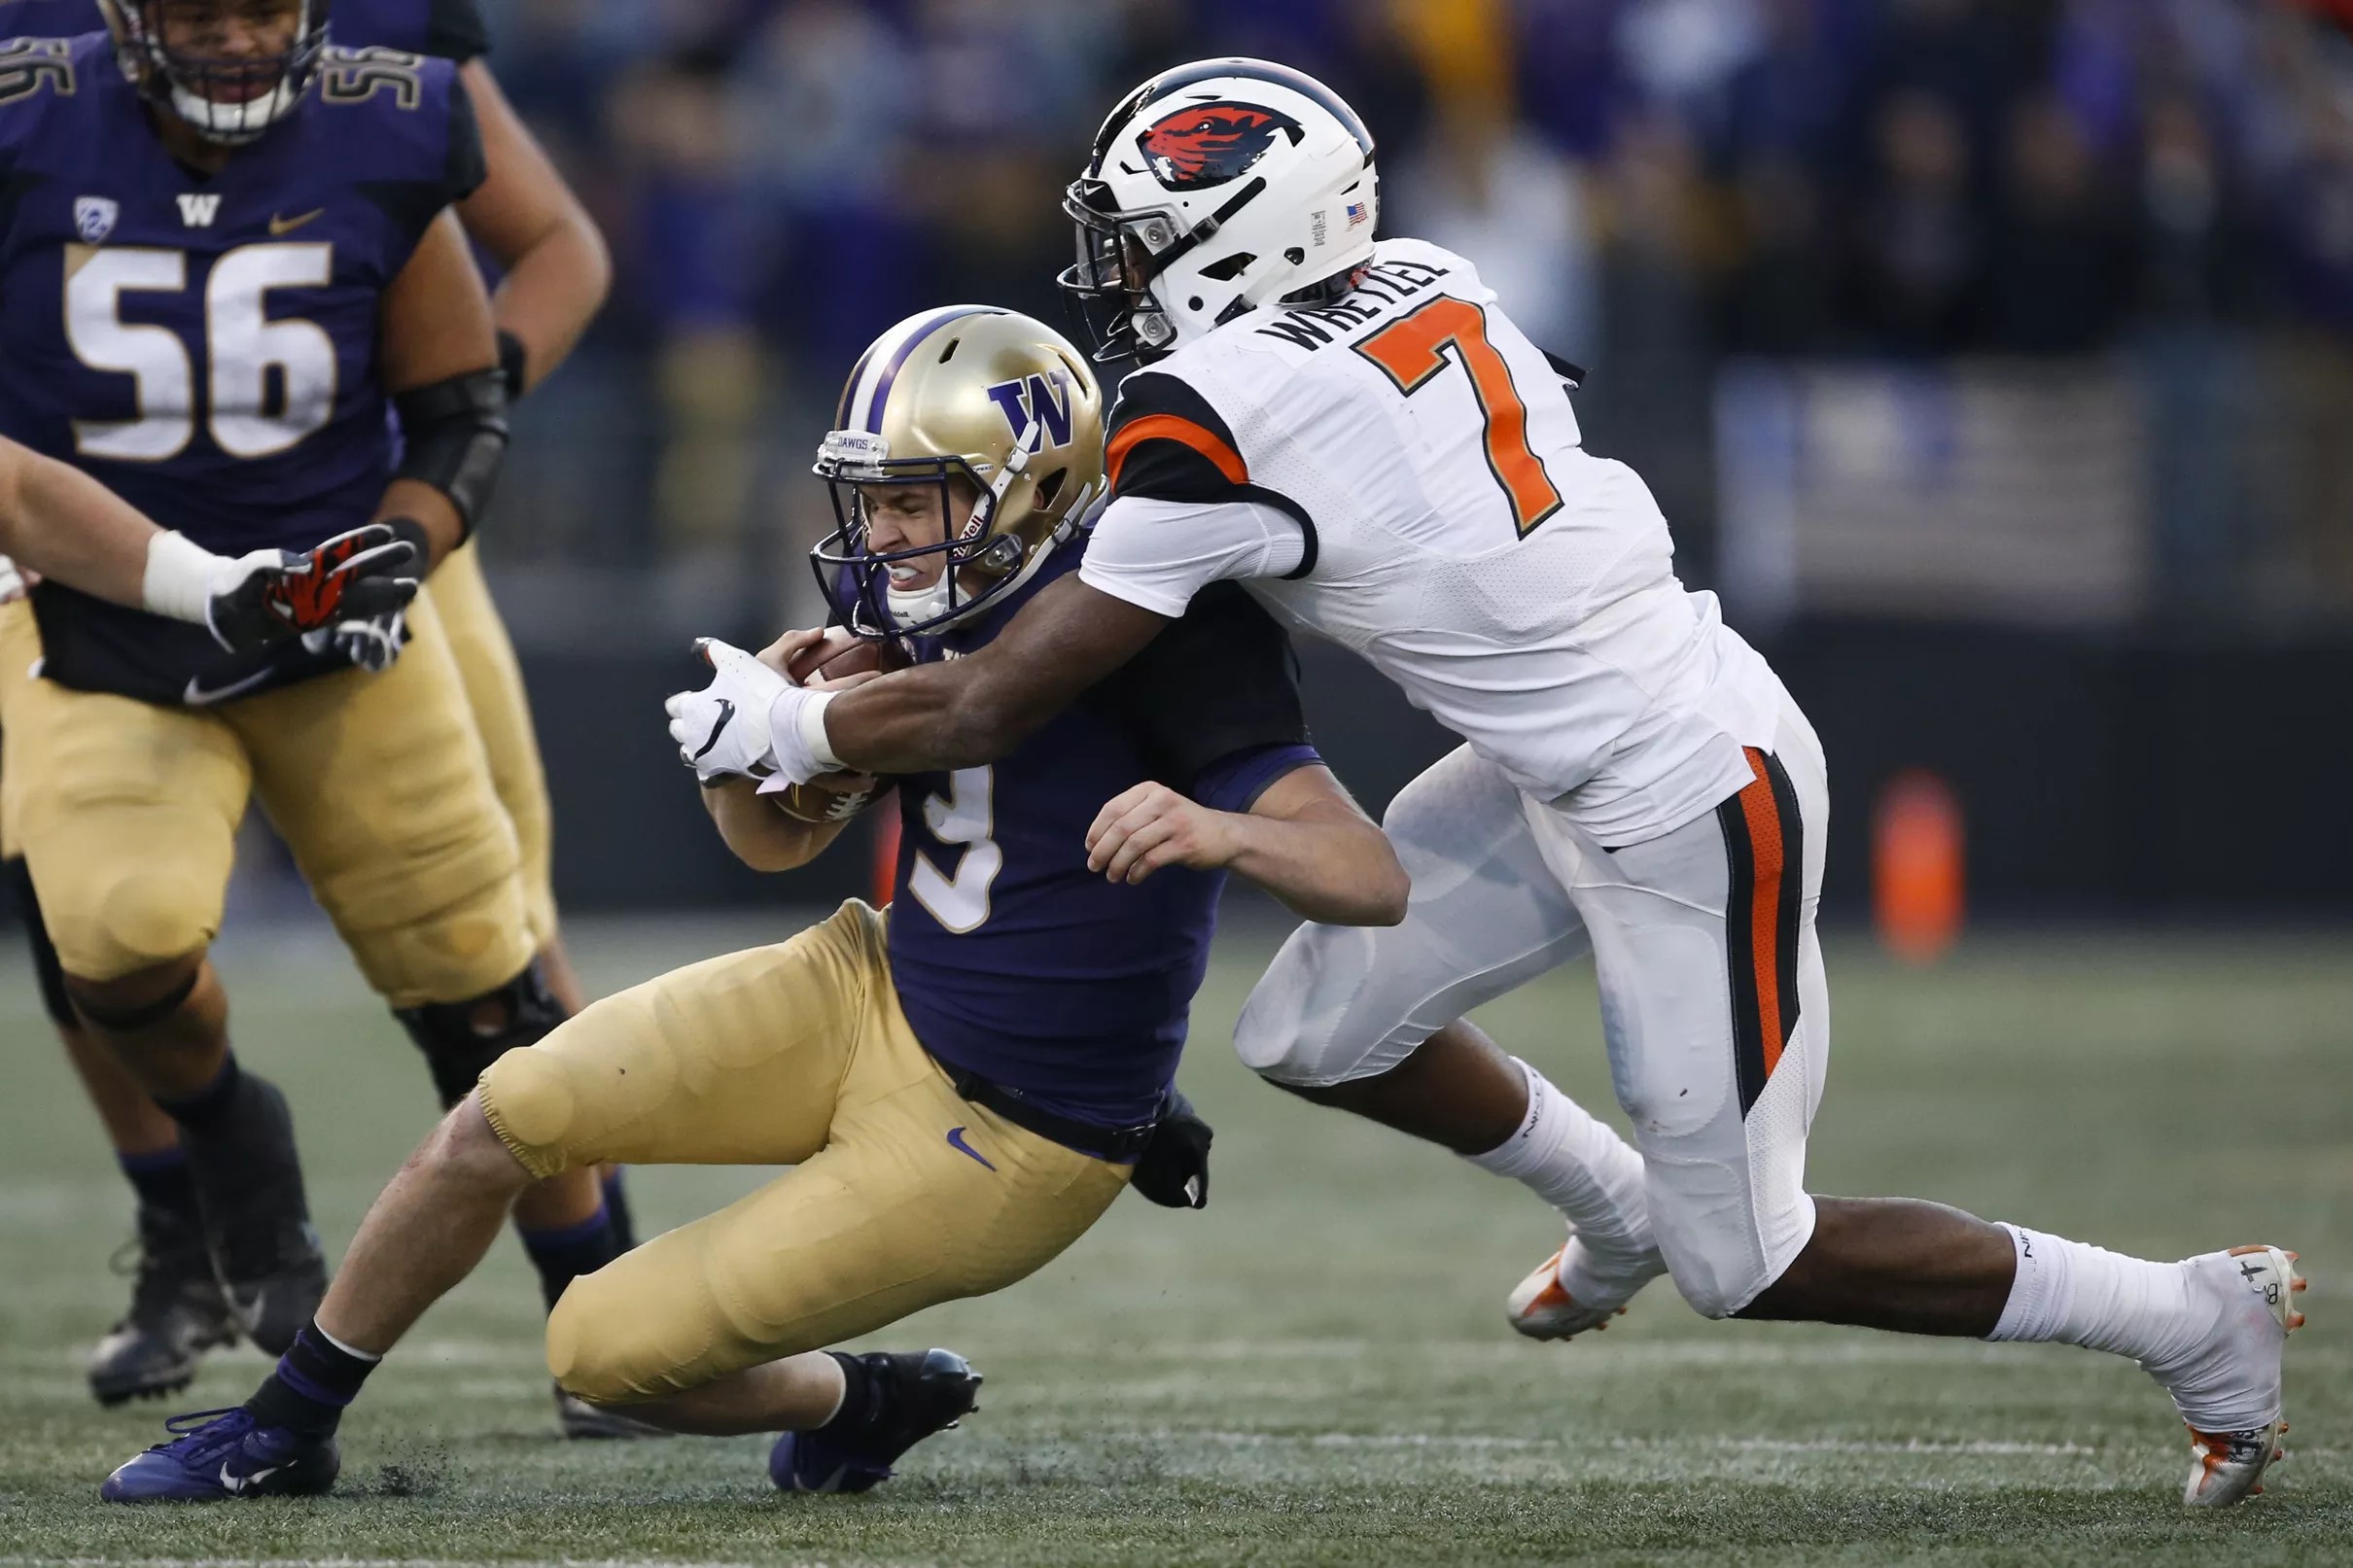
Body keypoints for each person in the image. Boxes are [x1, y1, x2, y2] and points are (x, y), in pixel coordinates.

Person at [732, 60, 2300, 1509]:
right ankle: (1609, 1206)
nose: (1120, 275)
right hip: (1560, 752)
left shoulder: (1209, 410)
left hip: (1689, 788)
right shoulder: (1433, 271)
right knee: (1310, 1028)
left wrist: (802, 736)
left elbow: (1006, 691)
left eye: (1141, 241)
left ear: (1241, 237)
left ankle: (2190, 1314)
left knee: (1746, 1258)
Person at [98, 306, 1407, 1503]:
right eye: (874, 498)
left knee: (597, 1351)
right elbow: (773, 847)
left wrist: (1215, 826)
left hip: (1011, 1131)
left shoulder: (1158, 625)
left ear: (1031, 487)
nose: (886, 532)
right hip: (872, 985)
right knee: (500, 1117)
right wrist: (757, 741)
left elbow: (1367, 875)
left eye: (916, 498)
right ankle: (285, 1423)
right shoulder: (917, 615)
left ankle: (862, 1393)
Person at [0, 0, 630, 1427]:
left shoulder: (385, 112)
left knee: (489, 961)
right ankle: (215, 1180)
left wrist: (401, 533)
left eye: (262, 9)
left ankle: (604, 1293)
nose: (234, 40)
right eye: (199, 12)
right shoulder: (30, 107)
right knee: (104, 925)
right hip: (89, 598)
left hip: (338, 585)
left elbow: (465, 393)